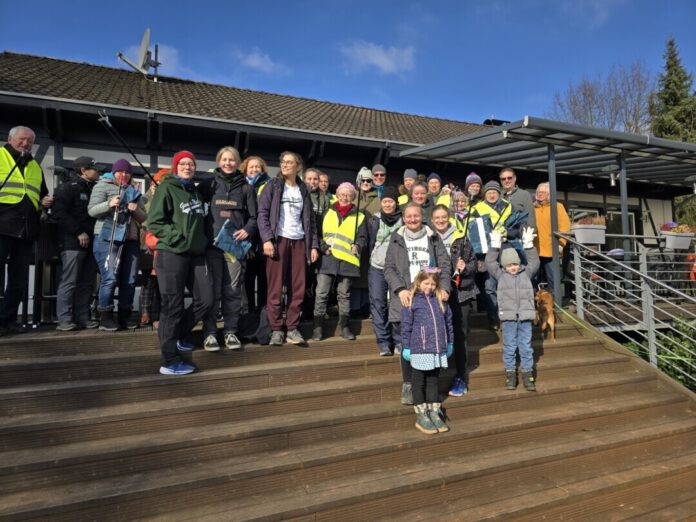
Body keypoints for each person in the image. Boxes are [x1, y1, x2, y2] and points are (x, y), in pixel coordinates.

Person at [147, 150, 213, 375]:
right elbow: (154, 222)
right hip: (172, 253)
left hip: (195, 253)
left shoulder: (195, 192)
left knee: (206, 299)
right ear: (176, 167)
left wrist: (201, 241)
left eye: (191, 164)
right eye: (183, 164)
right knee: (172, 305)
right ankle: (169, 360)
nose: (187, 167)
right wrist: (177, 237)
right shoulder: (167, 187)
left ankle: (178, 335)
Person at [384, 203, 450, 406]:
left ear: (422, 217)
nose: (412, 219)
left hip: (430, 298)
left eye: (416, 216)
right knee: (408, 344)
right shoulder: (396, 238)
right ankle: (409, 385)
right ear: (403, 218)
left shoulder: (432, 237)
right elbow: (388, 268)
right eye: (408, 216)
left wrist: (444, 287)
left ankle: (429, 387)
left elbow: (445, 264)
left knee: (429, 341)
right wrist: (400, 289)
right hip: (406, 298)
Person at [257, 151, 319, 346]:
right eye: (283, 161)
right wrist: (267, 239)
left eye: (289, 162)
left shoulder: (304, 189)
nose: (284, 165)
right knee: (275, 288)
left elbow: (311, 221)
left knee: (298, 288)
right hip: (278, 241)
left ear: (298, 167)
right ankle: (276, 329)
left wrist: (314, 245)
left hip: (300, 242)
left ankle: (292, 327)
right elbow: (262, 214)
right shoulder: (273, 186)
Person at [200, 146, 257, 351]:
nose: (228, 163)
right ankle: (210, 333)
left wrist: (248, 230)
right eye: (224, 159)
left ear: (237, 162)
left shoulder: (246, 188)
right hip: (212, 247)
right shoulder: (209, 185)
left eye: (231, 160)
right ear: (218, 161)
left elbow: (254, 217)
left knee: (232, 291)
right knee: (212, 292)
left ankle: (231, 332)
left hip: (233, 247)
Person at [0, 126, 53, 335]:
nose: (26, 144)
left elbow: (41, 195)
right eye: (22, 139)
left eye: (30, 141)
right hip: (2, 224)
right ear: (10, 138)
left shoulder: (35, 166)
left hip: (26, 229)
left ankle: (8, 320)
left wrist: (45, 202)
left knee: (19, 277)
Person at [88, 159, 147, 331]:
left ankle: (124, 316)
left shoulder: (133, 191)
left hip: (130, 240)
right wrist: (109, 204)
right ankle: (105, 317)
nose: (124, 175)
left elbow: (143, 217)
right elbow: (91, 210)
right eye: (120, 171)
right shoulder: (102, 186)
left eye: (128, 172)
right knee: (110, 278)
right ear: (114, 172)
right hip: (107, 238)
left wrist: (135, 210)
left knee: (129, 280)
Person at [430, 204, 477, 396]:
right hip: (436, 293)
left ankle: (460, 376)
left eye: (443, 217)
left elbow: (474, 265)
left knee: (460, 334)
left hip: (460, 293)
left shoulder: (462, 238)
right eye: (437, 218)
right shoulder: (429, 238)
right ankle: (435, 374)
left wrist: (464, 267)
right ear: (432, 221)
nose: (441, 221)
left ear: (448, 217)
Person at [401, 268, 454, 434]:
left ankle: (433, 410)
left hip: (437, 349)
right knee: (418, 381)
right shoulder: (413, 301)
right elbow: (406, 326)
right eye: (426, 283)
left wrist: (450, 343)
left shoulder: (440, 301)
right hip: (419, 348)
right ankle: (421, 414)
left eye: (433, 283)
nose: (429, 286)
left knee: (433, 380)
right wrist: (406, 347)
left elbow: (449, 324)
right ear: (419, 282)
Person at [486, 227, 540, 391]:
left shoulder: (526, 273)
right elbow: (489, 262)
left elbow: (535, 262)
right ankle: (510, 375)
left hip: (525, 317)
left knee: (526, 347)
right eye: (509, 265)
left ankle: (527, 375)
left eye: (515, 264)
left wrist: (529, 245)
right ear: (504, 266)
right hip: (508, 318)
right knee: (509, 347)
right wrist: (495, 246)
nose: (513, 267)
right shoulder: (500, 274)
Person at [312, 182, 367, 341]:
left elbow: (362, 237)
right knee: (321, 293)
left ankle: (344, 327)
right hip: (327, 258)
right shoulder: (327, 211)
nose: (345, 197)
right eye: (342, 194)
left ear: (353, 197)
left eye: (349, 194)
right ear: (337, 194)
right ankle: (318, 327)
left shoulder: (360, 216)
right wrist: (322, 246)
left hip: (347, 260)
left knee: (344, 295)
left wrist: (358, 245)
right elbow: (318, 232)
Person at [52, 156, 101, 331]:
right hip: (72, 242)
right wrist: (78, 231)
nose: (98, 172)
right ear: (83, 170)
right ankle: (64, 319)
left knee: (87, 282)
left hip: (93, 242)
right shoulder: (67, 188)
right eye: (95, 169)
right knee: (70, 281)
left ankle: (83, 317)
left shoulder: (95, 188)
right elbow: (58, 213)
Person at [366, 186, 402, 356]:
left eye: (391, 201)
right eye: (385, 201)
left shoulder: (403, 219)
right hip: (377, 267)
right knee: (378, 304)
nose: (387, 204)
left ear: (396, 203)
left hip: (397, 269)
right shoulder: (375, 220)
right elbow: (369, 241)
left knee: (398, 305)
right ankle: (383, 342)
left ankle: (399, 341)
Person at [472, 180, 511, 330]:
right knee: (489, 286)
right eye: (489, 192)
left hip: (505, 249)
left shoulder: (507, 206)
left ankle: (507, 318)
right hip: (487, 252)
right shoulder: (477, 208)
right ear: (485, 194)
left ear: (499, 193)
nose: (492, 194)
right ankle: (493, 317)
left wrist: (506, 233)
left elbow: (515, 227)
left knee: (506, 285)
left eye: (494, 192)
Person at [139, 168, 171, 328]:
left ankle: (157, 314)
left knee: (159, 280)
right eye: (156, 182)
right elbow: (143, 220)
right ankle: (145, 312)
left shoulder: (168, 196)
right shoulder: (145, 199)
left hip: (161, 242)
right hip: (147, 242)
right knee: (148, 280)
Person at [241, 155, 270, 312]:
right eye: (251, 167)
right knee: (247, 282)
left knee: (265, 281)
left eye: (257, 167)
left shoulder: (269, 185)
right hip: (247, 242)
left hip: (264, 241)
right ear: (245, 169)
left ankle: (263, 315)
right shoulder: (242, 186)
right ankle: (249, 314)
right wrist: (247, 245)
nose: (254, 169)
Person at [533, 181, 570, 292]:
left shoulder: (557, 206)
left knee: (553, 280)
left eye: (543, 192)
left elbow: (565, 226)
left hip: (551, 250)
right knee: (533, 280)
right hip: (535, 250)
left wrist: (561, 244)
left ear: (549, 194)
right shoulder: (532, 207)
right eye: (538, 192)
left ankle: (555, 304)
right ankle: (534, 305)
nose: (540, 194)